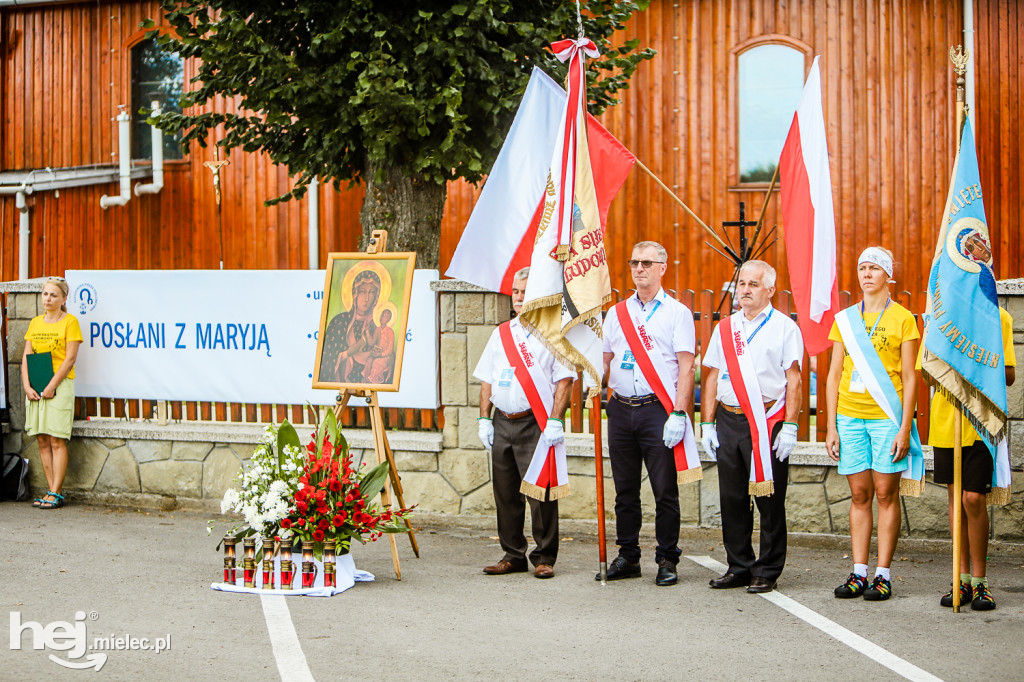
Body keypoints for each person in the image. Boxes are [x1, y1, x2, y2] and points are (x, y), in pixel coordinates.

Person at [700, 260, 803, 594]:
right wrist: (707, 422)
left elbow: (794, 379)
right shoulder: (725, 327)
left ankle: (768, 569)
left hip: (766, 421)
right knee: (732, 498)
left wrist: (790, 426)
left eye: (753, 284)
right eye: (741, 284)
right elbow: (712, 374)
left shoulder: (785, 328)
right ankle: (739, 565)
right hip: (729, 419)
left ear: (770, 290)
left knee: (769, 498)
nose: (744, 290)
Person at [826, 247, 920, 601]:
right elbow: (834, 374)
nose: (866, 274)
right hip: (850, 416)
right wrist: (831, 426)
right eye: (862, 268)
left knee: (885, 493)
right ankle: (858, 572)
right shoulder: (845, 319)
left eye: (874, 268)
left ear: (887, 275)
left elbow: (910, 377)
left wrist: (904, 427)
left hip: (887, 417)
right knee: (860, 494)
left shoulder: (903, 319)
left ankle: (883, 575)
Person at [601, 241, 696, 586]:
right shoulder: (617, 313)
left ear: (662, 267)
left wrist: (680, 413)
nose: (639, 268)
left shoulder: (677, 313)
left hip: (658, 411)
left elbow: (687, 366)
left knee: (663, 490)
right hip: (622, 409)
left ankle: (667, 559)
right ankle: (628, 556)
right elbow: (606, 359)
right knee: (625, 490)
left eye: (646, 263)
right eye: (634, 262)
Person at [473, 268, 574, 579]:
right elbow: (487, 380)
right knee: (505, 492)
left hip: (536, 422)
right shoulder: (501, 333)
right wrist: (483, 419)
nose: (518, 296)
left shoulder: (554, 334)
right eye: (515, 291)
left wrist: (556, 420)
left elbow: (565, 380)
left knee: (541, 492)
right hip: (503, 421)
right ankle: (513, 553)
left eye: (524, 291)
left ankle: (544, 557)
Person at [929, 307, 1015, 610]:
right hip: (946, 422)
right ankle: (961, 578)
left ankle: (980, 581)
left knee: (973, 499)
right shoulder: (941, 318)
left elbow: (1009, 375)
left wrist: (978, 361)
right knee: (955, 501)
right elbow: (927, 371)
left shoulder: (998, 318)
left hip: (981, 422)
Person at [21, 276, 83, 510]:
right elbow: (27, 357)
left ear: (63, 298)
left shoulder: (70, 322)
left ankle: (56, 492)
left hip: (59, 385)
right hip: (36, 385)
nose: (48, 298)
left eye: (53, 295)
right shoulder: (35, 323)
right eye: (45, 294)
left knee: (57, 440)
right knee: (42, 439)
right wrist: (27, 386)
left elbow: (70, 359)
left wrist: (52, 386)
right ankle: (49, 491)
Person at [320, 269, 382, 383]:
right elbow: (328, 360)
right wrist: (350, 352)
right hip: (340, 388)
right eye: (363, 291)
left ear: (376, 297)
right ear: (355, 293)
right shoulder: (340, 322)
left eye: (372, 292)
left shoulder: (377, 327)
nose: (367, 298)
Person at [365, 308, 396, 384]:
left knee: (376, 362)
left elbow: (390, 349)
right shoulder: (377, 330)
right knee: (368, 360)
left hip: (387, 356)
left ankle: (373, 382)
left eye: (385, 316)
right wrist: (367, 332)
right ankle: (366, 380)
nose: (382, 318)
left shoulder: (390, 331)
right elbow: (371, 343)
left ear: (388, 319)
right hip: (377, 353)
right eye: (382, 315)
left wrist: (381, 354)